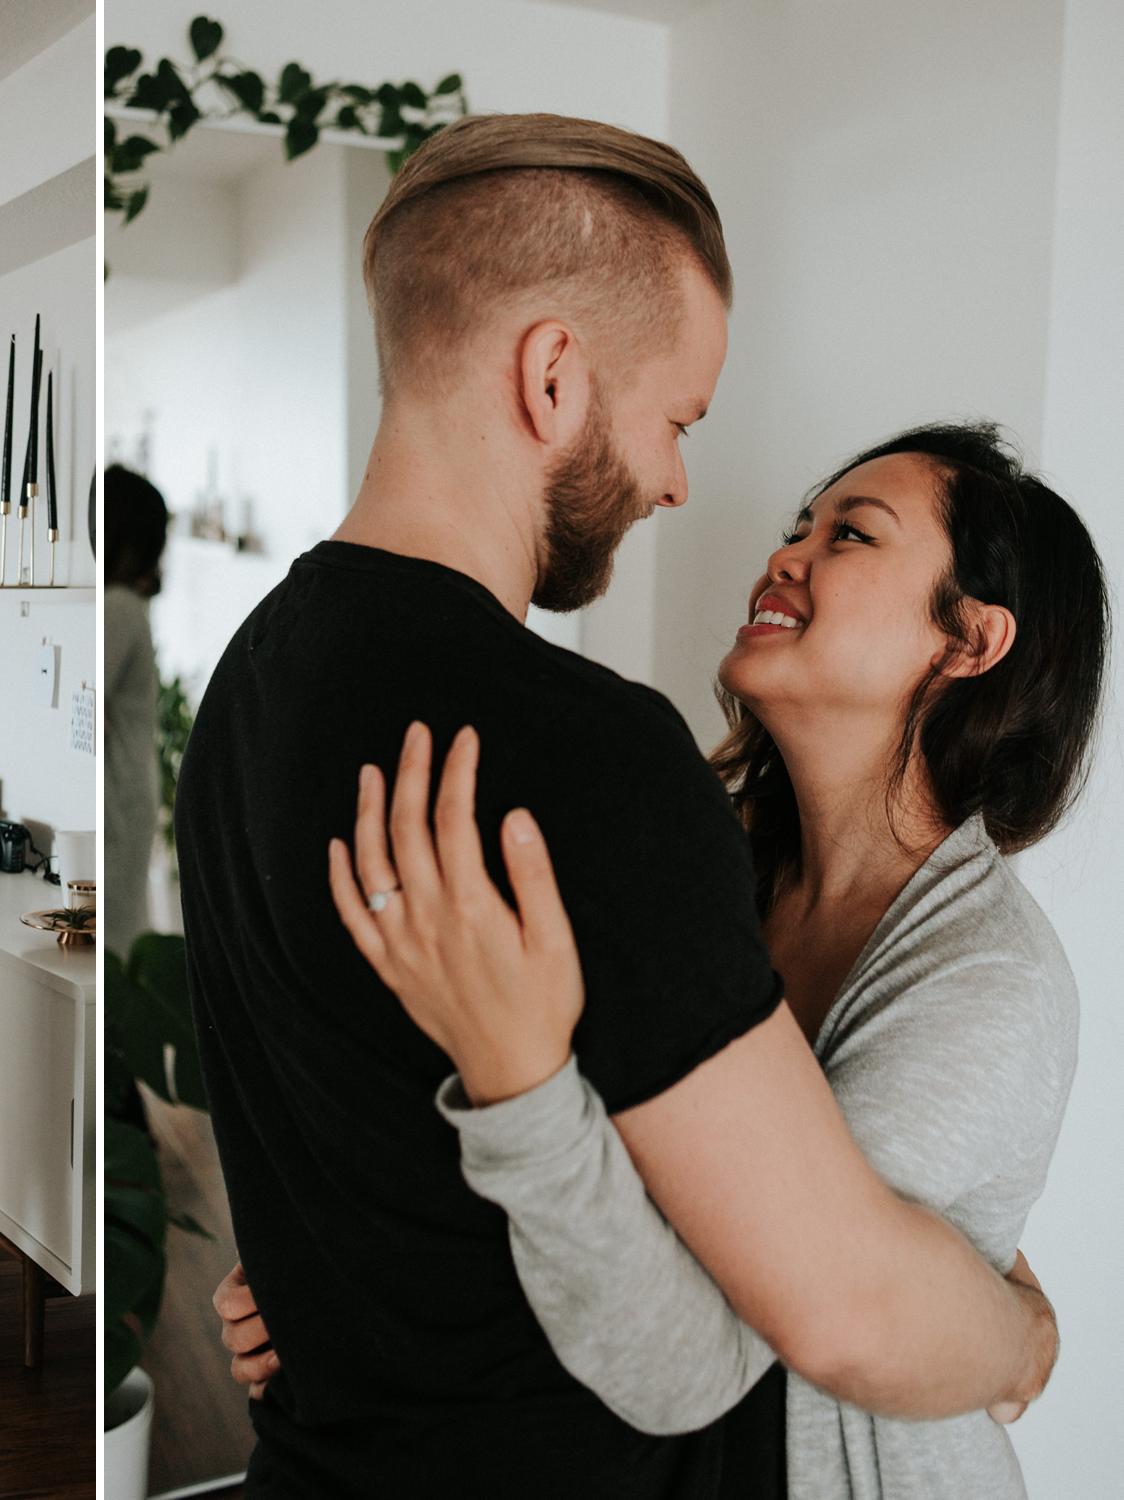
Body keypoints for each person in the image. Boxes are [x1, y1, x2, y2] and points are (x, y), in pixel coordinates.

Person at [171, 113, 1055, 1499]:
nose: (679, 481)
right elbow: (790, 1324)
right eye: (678, 417)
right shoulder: (589, 757)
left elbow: (373, 1154)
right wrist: (1016, 1333)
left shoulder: (243, 690)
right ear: (554, 373)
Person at [104, 464, 170, 954]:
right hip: (127, 795)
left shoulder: (121, 609)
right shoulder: (124, 607)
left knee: (118, 940)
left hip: (118, 804)